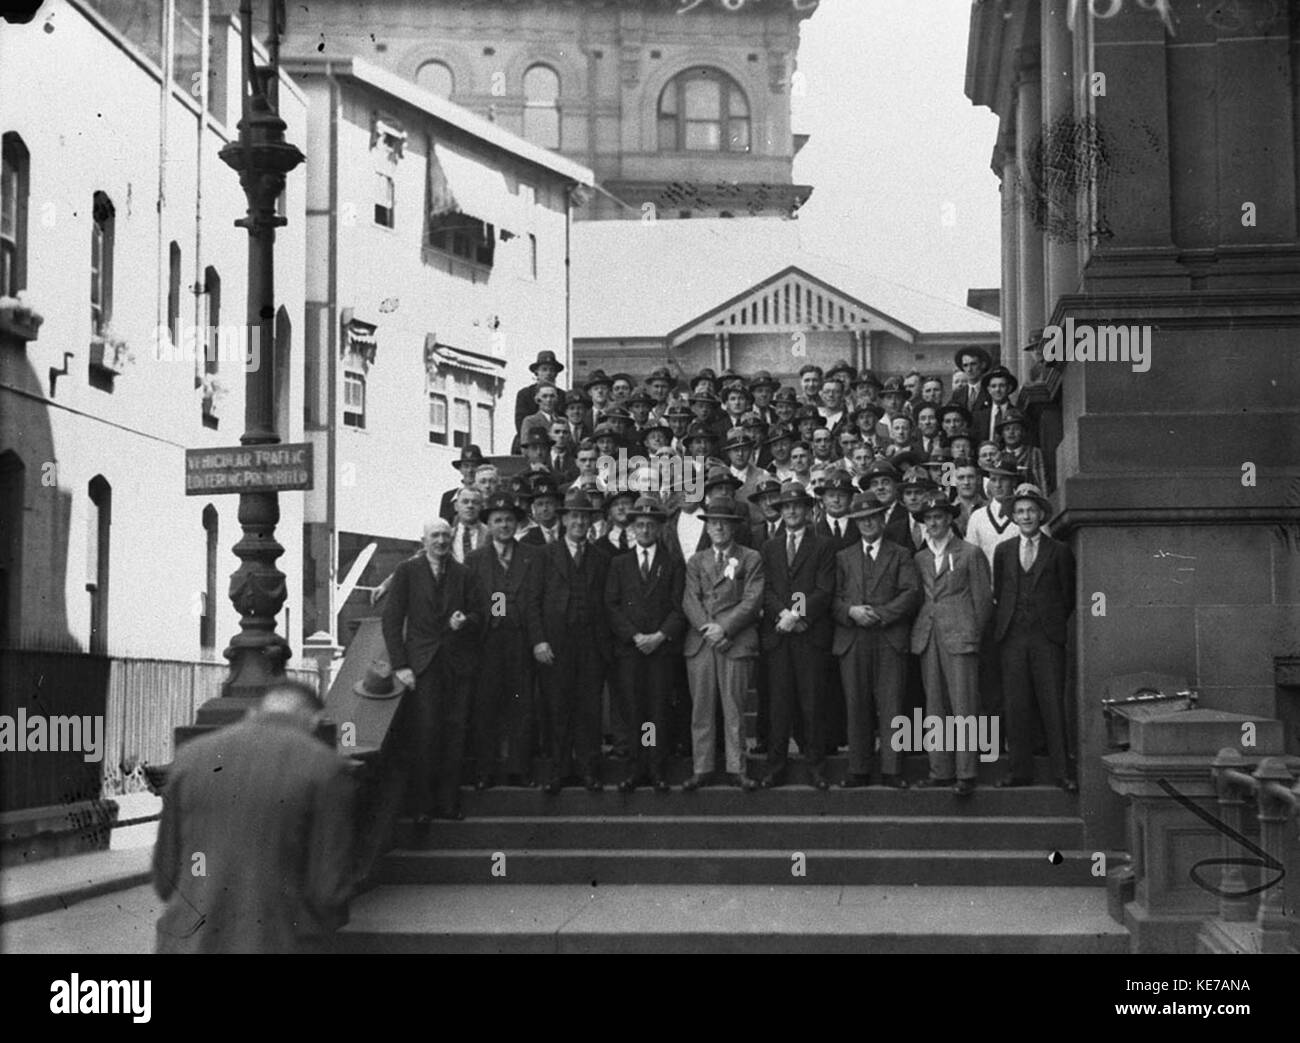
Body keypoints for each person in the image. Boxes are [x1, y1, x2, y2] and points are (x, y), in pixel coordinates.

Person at [153, 681, 354, 953]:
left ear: (253, 712)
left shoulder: (190, 757)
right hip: (277, 941)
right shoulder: (325, 767)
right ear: (314, 720)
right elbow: (328, 890)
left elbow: (164, 878)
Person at [383, 518, 478, 822]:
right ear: (423, 541)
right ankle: (422, 806)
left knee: (455, 733)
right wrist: (401, 665)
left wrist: (465, 621)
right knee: (425, 733)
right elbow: (391, 620)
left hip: (456, 665)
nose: (441, 541)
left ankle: (448, 803)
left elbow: (481, 613)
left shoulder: (464, 573)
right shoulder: (407, 571)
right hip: (421, 665)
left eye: (445, 536)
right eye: (435, 536)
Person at [832, 493, 922, 788]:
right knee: (856, 703)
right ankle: (858, 768)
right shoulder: (843, 556)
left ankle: (892, 769)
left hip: (889, 637)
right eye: (861, 519)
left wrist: (881, 614)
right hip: (853, 638)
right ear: (855, 523)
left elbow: (911, 593)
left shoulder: (900, 554)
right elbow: (832, 597)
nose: (868, 523)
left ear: (883, 519)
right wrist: (851, 612)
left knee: (891, 703)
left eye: (873, 517)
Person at [909, 492, 993, 796]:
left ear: (949, 519)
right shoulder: (919, 558)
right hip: (929, 636)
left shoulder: (969, 553)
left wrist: (972, 633)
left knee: (963, 705)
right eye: (928, 519)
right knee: (935, 706)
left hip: (961, 636)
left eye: (939, 517)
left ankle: (966, 772)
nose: (933, 523)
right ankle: (940, 770)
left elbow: (983, 601)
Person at [993, 484, 1076, 792]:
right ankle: (1019, 771)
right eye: (1020, 511)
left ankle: (1062, 772)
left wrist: (1049, 624)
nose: (1026, 516)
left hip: (1046, 637)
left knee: (1052, 703)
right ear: (1013, 517)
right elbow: (1000, 592)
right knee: (1016, 705)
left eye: (1031, 510)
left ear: (1041, 514)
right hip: (1013, 636)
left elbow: (1067, 596)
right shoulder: (1004, 551)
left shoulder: (1059, 551)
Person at [682, 495, 765, 791]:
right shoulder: (696, 560)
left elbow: (752, 600)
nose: (718, 528)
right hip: (702, 642)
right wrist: (709, 629)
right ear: (707, 527)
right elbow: (689, 600)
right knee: (701, 709)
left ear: (734, 527)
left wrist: (725, 628)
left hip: (735, 640)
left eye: (724, 523)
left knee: (734, 708)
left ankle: (736, 767)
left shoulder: (750, 557)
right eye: (714, 523)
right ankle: (702, 768)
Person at [606, 495, 686, 793]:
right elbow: (611, 605)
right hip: (631, 650)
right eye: (639, 525)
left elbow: (679, 607)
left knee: (657, 710)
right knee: (634, 710)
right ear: (632, 528)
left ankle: (656, 767)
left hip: (660, 649)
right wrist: (633, 636)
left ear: (659, 528)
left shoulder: (672, 563)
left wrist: (660, 636)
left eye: (650, 525)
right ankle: (635, 767)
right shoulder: (619, 563)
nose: (645, 530)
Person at [759, 481, 836, 789]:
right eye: (786, 507)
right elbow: (766, 588)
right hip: (779, 634)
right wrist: (783, 614)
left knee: (812, 704)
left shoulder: (823, 545)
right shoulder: (770, 547)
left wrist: (797, 614)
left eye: (797, 506)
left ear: (807, 510)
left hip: (809, 634)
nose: (791, 511)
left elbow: (824, 588)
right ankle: (775, 767)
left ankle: (816, 767)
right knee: (779, 705)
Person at [534, 490, 611, 794]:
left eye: (584, 517)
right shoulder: (545, 555)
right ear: (564, 520)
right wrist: (539, 641)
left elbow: (607, 603)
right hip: (555, 644)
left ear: (591, 522)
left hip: (591, 644)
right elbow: (532, 602)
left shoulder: (601, 558)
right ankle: (559, 770)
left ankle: (589, 769)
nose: (579, 522)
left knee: (589, 709)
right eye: (574, 516)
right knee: (557, 708)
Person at [465, 493, 543, 789]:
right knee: (486, 706)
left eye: (509, 520)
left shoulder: (532, 555)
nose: (504, 525)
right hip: (488, 641)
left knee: (521, 706)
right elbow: (471, 600)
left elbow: (537, 599)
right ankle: (485, 770)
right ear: (489, 524)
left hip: (521, 640)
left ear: (516, 523)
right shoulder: (475, 560)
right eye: (498, 520)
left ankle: (519, 769)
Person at [515, 350, 567, 445]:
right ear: (537, 372)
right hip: (531, 441)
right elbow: (520, 424)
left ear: (556, 373)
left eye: (551, 370)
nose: (548, 373)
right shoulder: (525, 394)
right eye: (544, 369)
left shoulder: (562, 395)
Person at [440, 444, 484, 524]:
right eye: (466, 466)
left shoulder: (486, 496)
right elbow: (443, 526)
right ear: (460, 469)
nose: (470, 470)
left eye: (474, 466)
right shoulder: (448, 497)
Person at [974, 365, 1019, 442]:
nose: (997, 390)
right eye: (993, 386)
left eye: (1002, 386)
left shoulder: (1018, 414)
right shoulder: (978, 416)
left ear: (1009, 388)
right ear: (989, 389)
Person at [951, 347, 992, 413]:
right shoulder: (958, 394)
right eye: (965, 365)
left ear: (983, 365)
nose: (969, 369)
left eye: (973, 364)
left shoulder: (990, 391)